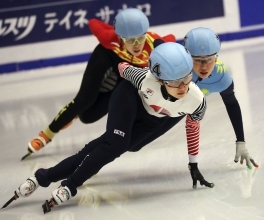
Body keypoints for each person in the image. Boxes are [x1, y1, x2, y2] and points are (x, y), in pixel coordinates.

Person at [8, 42, 213, 213]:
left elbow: (193, 127)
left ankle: (43, 176)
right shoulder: (143, 78)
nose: (183, 87)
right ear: (159, 78)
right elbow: (123, 67)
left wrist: (193, 164)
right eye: (176, 82)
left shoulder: (196, 101)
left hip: (153, 116)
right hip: (129, 96)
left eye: (186, 78)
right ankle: (69, 186)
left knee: (121, 145)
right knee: (116, 143)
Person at [21, 8, 176, 160]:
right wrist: (114, 28)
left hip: (127, 72)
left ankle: (101, 94)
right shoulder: (109, 37)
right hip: (108, 56)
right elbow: (93, 22)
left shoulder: (155, 44)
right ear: (120, 37)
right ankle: (45, 135)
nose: (136, 45)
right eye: (130, 40)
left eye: (140, 38)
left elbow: (172, 39)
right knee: (84, 100)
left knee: (88, 116)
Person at [183, 27, 258, 169]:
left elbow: (231, 104)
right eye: (198, 60)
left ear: (216, 57)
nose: (204, 66)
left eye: (209, 59)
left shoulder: (222, 78)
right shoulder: (177, 71)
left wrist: (241, 141)